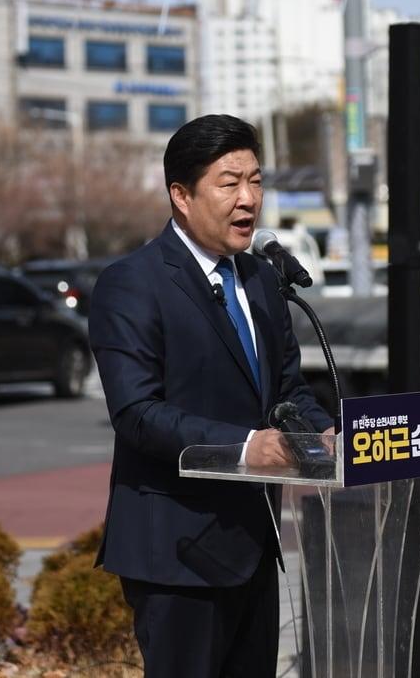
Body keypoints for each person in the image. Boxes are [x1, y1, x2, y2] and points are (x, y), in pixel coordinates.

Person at [88, 114, 333, 678]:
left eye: (256, 180)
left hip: (253, 544)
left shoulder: (261, 280)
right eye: (229, 182)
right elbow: (137, 412)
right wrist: (247, 447)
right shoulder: (133, 283)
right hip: (176, 555)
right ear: (181, 194)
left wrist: (322, 434)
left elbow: (288, 389)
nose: (249, 198)